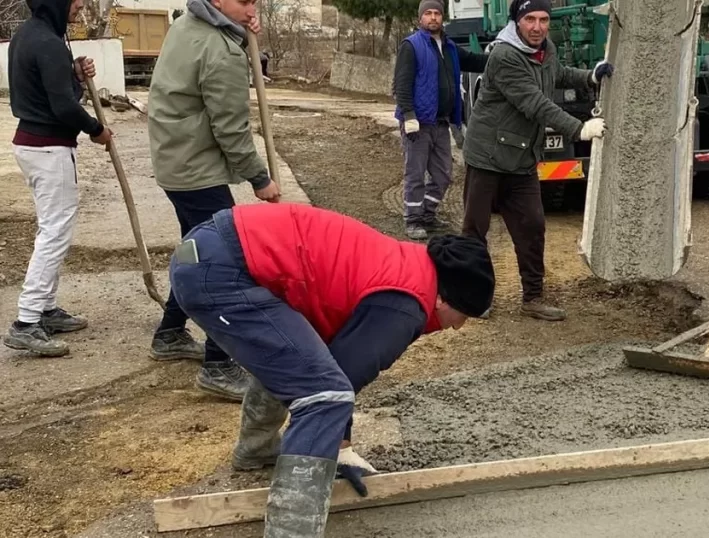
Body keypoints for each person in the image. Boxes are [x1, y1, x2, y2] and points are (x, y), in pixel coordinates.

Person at [167, 202, 494, 537]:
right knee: (322, 396)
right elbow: (339, 381)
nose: (458, 327)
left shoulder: (408, 267)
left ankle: (256, 450)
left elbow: (329, 362)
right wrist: (339, 449)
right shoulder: (405, 304)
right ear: (444, 299)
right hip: (221, 272)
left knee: (300, 364)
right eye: (463, 316)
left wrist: (341, 447)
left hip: (211, 253)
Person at [146, 0, 281, 400]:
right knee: (225, 261)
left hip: (175, 160)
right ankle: (218, 364)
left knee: (196, 251)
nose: (252, 7)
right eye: (244, 1)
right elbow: (231, 128)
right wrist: (260, 178)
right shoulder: (220, 50)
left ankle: (169, 334)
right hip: (194, 168)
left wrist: (240, 30)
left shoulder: (188, 24)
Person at [460, 0, 613, 322]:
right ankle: (474, 297)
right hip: (487, 155)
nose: (537, 27)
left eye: (543, 19)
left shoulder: (547, 49)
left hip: (522, 157)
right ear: (517, 22)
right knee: (476, 229)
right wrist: (579, 128)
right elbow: (534, 102)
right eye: (530, 19)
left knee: (532, 226)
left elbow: (558, 74)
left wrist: (591, 77)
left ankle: (532, 298)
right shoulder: (504, 56)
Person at [2, 0, 114, 357]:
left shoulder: (31, 35)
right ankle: (26, 321)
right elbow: (63, 106)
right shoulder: (47, 42)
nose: (79, 4)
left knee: (51, 228)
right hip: (48, 149)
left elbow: (50, 87)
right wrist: (96, 129)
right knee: (55, 232)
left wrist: (74, 74)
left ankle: (46, 309)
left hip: (36, 146)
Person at [393, 0, 490, 240]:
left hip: (440, 123)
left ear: (442, 18)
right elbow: (401, 84)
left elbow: (476, 62)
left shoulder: (449, 47)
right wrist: (408, 115)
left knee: (443, 174)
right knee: (415, 174)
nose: (433, 17)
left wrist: (499, 54)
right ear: (420, 19)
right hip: (418, 123)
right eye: (428, 13)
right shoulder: (411, 46)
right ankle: (413, 220)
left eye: (437, 13)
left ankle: (427, 214)